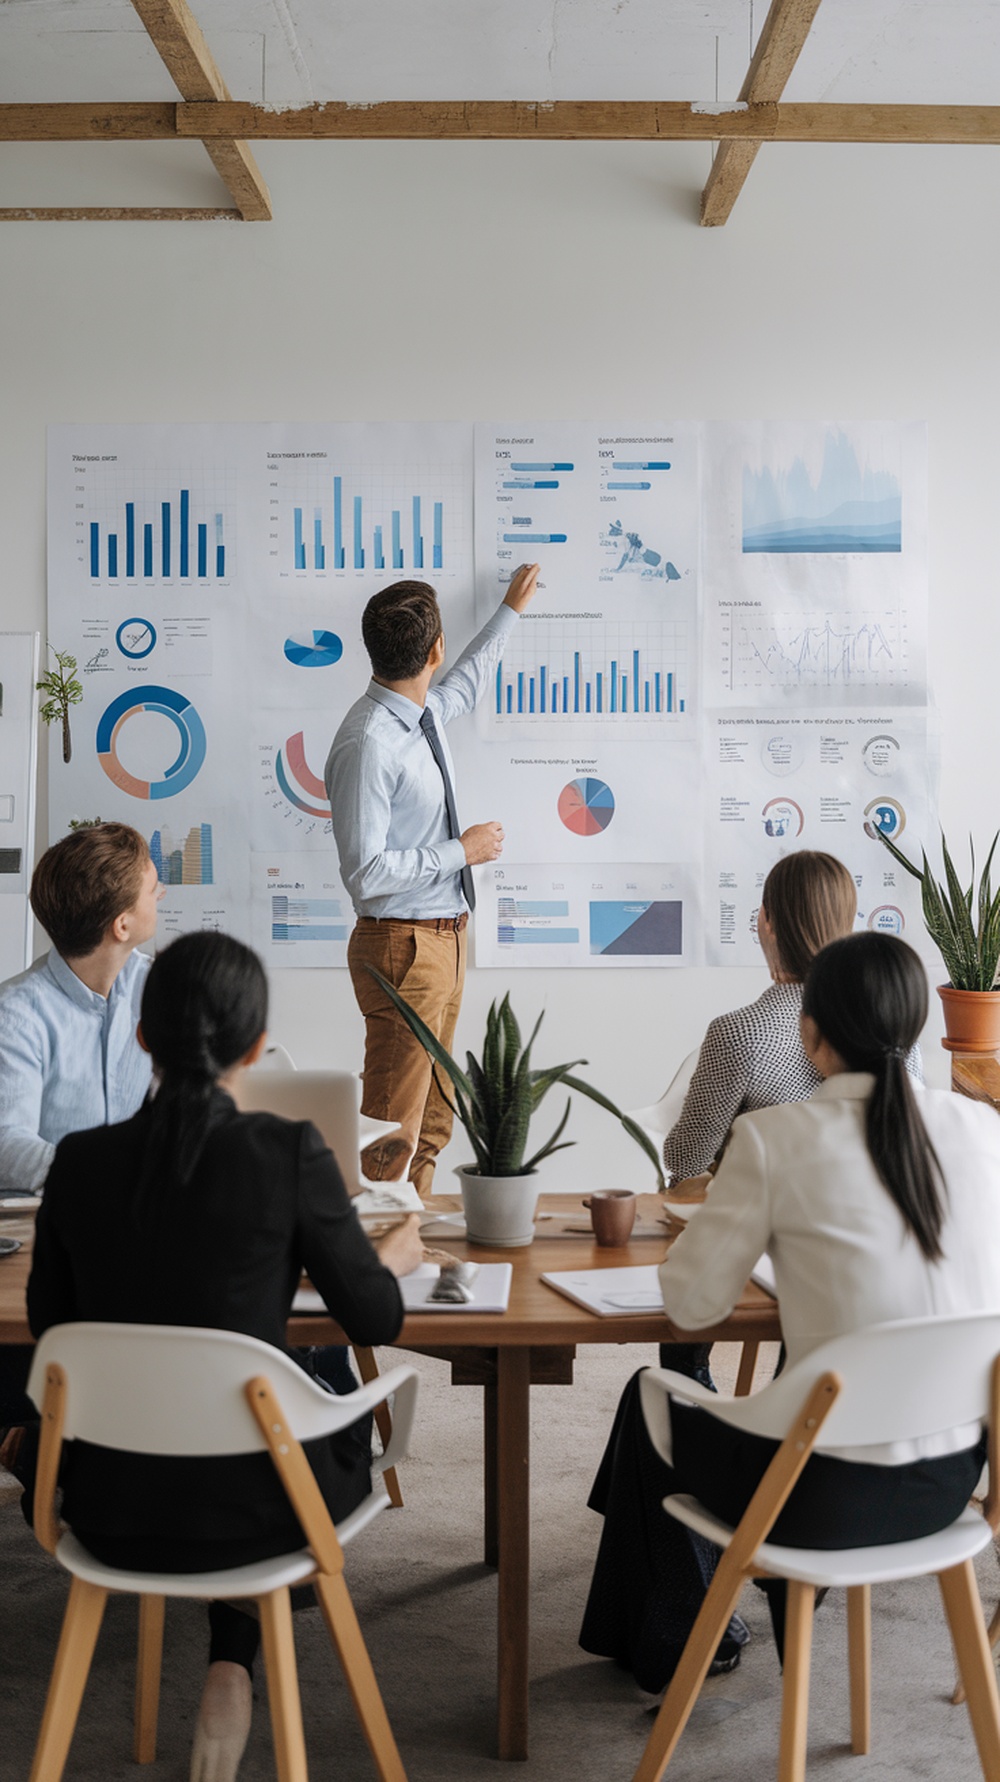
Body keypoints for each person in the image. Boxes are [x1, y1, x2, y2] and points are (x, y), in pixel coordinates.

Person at [27, 930, 423, 1782]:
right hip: (269, 1513)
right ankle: (232, 1660)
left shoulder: (78, 1165)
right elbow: (374, 1319)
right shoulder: (285, 1153)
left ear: (143, 1039)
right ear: (253, 1047)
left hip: (105, 1509)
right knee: (307, 1398)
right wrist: (390, 1258)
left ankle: (227, 1662)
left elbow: (49, 1334)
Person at [580, 932, 1000, 1693]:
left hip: (818, 1496)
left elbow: (691, 1303)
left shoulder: (775, 1138)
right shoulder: (985, 1131)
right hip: (947, 1490)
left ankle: (675, 1641)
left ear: (810, 1033)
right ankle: (662, 1631)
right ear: (911, 1028)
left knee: (649, 1401)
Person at [325, 563, 539, 1197]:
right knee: (395, 1125)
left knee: (433, 1117)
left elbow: (464, 687)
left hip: (444, 939)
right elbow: (366, 875)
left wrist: (509, 612)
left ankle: (406, 1245)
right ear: (433, 649)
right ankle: (372, 1262)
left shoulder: (420, 715)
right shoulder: (369, 742)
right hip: (402, 945)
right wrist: (460, 852)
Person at [660, 850, 863, 1388]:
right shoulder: (891, 1032)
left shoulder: (742, 1033)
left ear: (766, 922)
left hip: (763, 1248)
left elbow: (684, 1163)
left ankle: (693, 1382)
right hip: (860, 1253)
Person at [0, 821, 159, 1193]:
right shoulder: (15, 1015)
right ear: (122, 926)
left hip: (146, 1215)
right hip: (48, 1220)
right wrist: (100, 1174)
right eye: (153, 891)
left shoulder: (159, 989)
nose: (161, 894)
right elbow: (6, 1141)